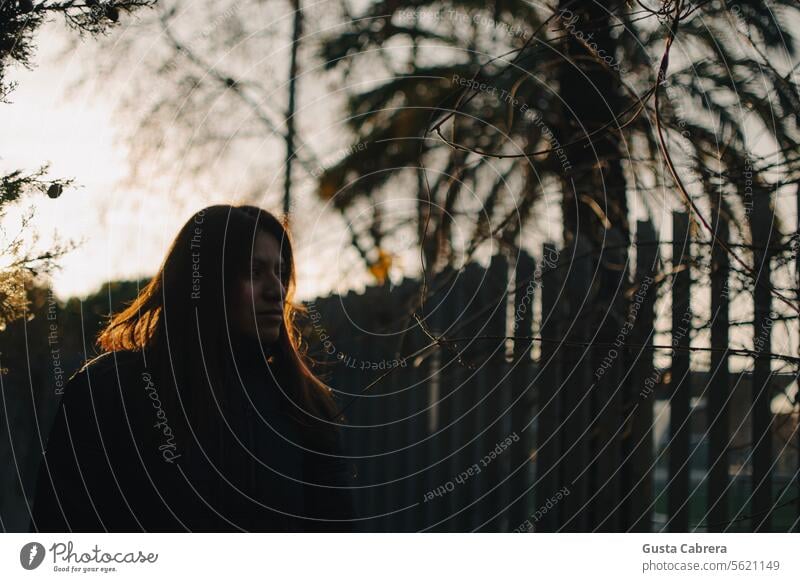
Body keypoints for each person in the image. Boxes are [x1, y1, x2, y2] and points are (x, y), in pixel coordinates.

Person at [30, 205, 356, 532]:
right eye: (254, 272)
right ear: (205, 279)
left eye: (280, 273)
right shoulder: (110, 391)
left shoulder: (301, 403)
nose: (276, 291)